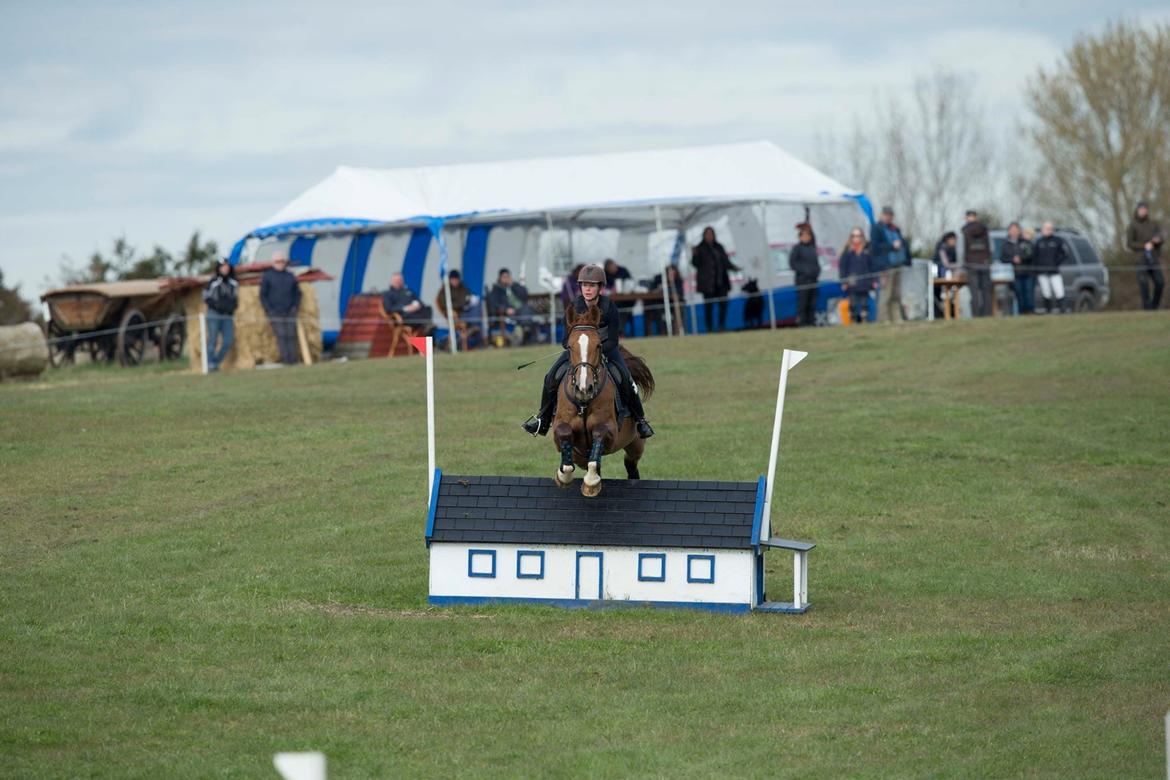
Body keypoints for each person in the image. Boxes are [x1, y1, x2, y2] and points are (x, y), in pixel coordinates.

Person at [521, 264, 653, 439]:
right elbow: (565, 340)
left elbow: (614, 340)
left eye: (592, 286)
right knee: (550, 377)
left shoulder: (610, 307)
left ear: (600, 288)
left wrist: (596, 353)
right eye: (584, 285)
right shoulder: (573, 307)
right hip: (578, 352)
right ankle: (542, 420)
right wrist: (578, 350)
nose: (587, 289)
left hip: (606, 349)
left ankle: (640, 420)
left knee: (626, 379)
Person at [691, 227, 739, 333]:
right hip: (707, 284)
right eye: (707, 234)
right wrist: (695, 255)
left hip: (721, 282)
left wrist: (734, 267)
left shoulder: (719, 247)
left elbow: (725, 261)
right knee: (708, 307)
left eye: (711, 234)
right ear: (704, 236)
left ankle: (721, 326)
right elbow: (695, 264)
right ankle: (709, 328)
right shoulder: (699, 248)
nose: (709, 236)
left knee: (723, 305)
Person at [868, 206, 910, 323]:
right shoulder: (876, 228)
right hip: (885, 266)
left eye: (890, 215)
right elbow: (875, 248)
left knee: (896, 294)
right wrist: (892, 246)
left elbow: (903, 244)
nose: (888, 217)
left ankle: (897, 318)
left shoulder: (895, 229)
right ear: (882, 215)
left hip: (897, 264)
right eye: (886, 214)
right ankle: (884, 319)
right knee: (886, 293)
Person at [259, 254, 301, 364]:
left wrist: (295, 306)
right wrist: (269, 309)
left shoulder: (290, 276)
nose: (280, 263)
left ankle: (294, 359)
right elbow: (263, 295)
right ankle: (286, 359)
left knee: (291, 334)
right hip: (275, 312)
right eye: (278, 261)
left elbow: (297, 293)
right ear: (273, 263)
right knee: (281, 335)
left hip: (289, 311)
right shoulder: (268, 276)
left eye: (282, 261)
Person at [1126, 201, 1164, 310]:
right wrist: (1144, 245)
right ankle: (1147, 309)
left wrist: (1158, 240)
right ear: (1137, 210)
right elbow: (1129, 244)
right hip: (1140, 259)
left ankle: (1154, 306)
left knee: (1160, 282)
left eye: (1145, 209)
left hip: (1154, 257)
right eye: (1141, 209)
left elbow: (1161, 237)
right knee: (1144, 285)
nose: (1143, 211)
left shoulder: (1153, 223)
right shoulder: (1132, 225)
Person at [201, 259, 238, 372]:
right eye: (222, 266)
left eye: (227, 266)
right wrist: (216, 305)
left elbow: (235, 299)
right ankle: (210, 365)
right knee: (212, 340)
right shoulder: (213, 282)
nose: (225, 269)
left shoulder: (233, 283)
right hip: (214, 314)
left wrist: (232, 307)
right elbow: (205, 296)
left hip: (227, 316)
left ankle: (215, 362)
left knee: (228, 340)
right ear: (219, 268)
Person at [487, 268, 535, 343]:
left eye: (508, 276)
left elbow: (524, 294)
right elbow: (494, 303)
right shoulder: (496, 290)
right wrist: (506, 309)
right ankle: (525, 331)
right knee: (525, 311)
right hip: (506, 313)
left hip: (519, 310)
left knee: (526, 308)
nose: (506, 279)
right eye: (504, 277)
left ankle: (526, 329)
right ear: (499, 278)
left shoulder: (514, 286)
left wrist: (513, 284)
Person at [839, 228, 874, 324]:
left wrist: (873, 280)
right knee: (853, 303)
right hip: (852, 281)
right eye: (854, 236)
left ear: (862, 237)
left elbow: (871, 266)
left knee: (864, 303)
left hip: (865, 281)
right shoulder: (847, 252)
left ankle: (864, 320)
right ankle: (853, 320)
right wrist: (844, 281)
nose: (856, 238)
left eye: (858, 236)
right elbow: (843, 268)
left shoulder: (867, 250)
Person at [1032, 222, 1068, 314]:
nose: (1048, 230)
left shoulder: (1057, 240)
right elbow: (1035, 257)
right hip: (1042, 272)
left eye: (1049, 228)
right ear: (1042, 229)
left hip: (1054, 271)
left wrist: (1056, 264)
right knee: (1046, 292)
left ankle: (1062, 310)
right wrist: (1036, 269)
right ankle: (1048, 311)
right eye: (1046, 228)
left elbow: (1064, 254)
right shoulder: (1039, 242)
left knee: (1059, 290)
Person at [962, 210, 992, 317]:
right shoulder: (985, 229)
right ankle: (987, 314)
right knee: (986, 292)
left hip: (971, 265)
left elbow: (961, 249)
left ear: (966, 218)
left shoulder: (964, 230)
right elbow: (991, 248)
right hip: (984, 263)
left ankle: (976, 315)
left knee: (974, 292)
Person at [789, 224, 821, 327]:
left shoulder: (812, 248)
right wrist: (805, 271)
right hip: (802, 281)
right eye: (804, 235)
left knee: (812, 303)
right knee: (803, 303)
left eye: (808, 235)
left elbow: (816, 262)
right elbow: (793, 263)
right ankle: (802, 322)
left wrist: (816, 271)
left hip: (813, 280)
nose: (806, 237)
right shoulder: (797, 249)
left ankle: (811, 322)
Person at [1000, 222, 1034, 315]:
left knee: (1029, 294)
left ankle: (1030, 313)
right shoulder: (1005, 244)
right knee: (1019, 295)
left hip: (1027, 272)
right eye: (1012, 230)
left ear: (1019, 231)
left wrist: (1021, 258)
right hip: (1014, 274)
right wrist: (1012, 259)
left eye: (1016, 230)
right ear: (1009, 231)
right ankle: (1021, 313)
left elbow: (1031, 254)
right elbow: (1002, 258)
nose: (1014, 232)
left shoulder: (1025, 242)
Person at [646, 264, 684, 336]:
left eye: (673, 274)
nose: (671, 275)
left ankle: (677, 331)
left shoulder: (678, 281)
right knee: (657, 310)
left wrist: (671, 286)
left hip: (673, 304)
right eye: (670, 274)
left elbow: (679, 292)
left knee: (679, 308)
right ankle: (662, 332)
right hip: (661, 303)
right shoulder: (658, 279)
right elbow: (652, 291)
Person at [603, 259, 635, 336]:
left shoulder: (623, 271)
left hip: (627, 299)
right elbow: (604, 287)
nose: (614, 268)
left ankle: (620, 332)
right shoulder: (605, 275)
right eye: (611, 268)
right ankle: (620, 332)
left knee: (623, 310)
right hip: (613, 300)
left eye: (614, 266)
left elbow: (630, 282)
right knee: (615, 310)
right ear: (607, 269)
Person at [932, 231, 960, 318]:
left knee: (951, 295)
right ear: (948, 240)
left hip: (948, 277)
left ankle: (951, 313)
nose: (955, 242)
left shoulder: (953, 249)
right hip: (939, 276)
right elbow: (946, 264)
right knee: (939, 296)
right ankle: (940, 314)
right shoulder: (942, 247)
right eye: (953, 240)